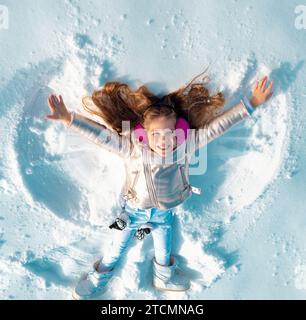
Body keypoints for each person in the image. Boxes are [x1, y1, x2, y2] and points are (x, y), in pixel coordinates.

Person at [46, 72, 273, 299]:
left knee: (164, 251)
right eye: (157, 134)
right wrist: (69, 118)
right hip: (133, 212)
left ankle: (163, 277)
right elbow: (101, 136)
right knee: (117, 248)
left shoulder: (186, 146)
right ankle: (99, 278)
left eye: (170, 132)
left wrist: (251, 103)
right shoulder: (133, 150)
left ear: (178, 132)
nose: (164, 139)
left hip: (165, 214)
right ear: (145, 134)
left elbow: (217, 127)